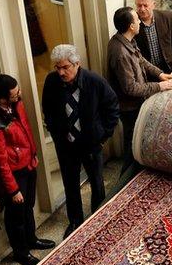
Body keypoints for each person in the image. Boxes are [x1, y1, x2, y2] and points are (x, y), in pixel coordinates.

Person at [41, 44, 120, 238]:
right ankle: (75, 221)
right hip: (66, 145)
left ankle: (98, 219)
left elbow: (112, 107)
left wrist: (103, 136)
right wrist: (57, 134)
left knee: (96, 182)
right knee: (70, 184)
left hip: (91, 144)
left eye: (65, 67)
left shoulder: (94, 82)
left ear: (77, 64)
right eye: (57, 67)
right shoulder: (51, 82)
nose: (61, 72)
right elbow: (48, 110)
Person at [0, 75, 54, 265]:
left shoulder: (15, 103)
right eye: (15, 93)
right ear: (3, 98)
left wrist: (33, 152)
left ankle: (31, 239)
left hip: (27, 164)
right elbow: (0, 160)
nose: (20, 94)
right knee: (16, 217)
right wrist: (12, 190)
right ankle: (21, 253)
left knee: (28, 206)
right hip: (14, 174)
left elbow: (26, 128)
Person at [107, 6, 172, 174]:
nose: (140, 21)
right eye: (137, 20)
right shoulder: (120, 53)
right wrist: (158, 86)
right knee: (132, 148)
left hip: (136, 104)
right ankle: (125, 182)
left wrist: (160, 74)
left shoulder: (126, 40)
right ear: (131, 26)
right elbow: (130, 88)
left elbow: (142, 61)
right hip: (130, 109)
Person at [134, 0, 172, 73]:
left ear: (153, 4)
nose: (142, 9)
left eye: (145, 5)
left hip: (169, 67)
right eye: (139, 5)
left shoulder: (167, 17)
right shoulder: (133, 23)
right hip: (148, 72)